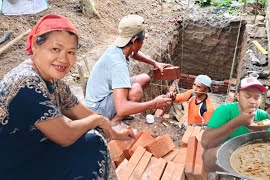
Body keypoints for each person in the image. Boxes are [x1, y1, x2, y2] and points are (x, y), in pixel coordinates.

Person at [0, 14, 134, 179]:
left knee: (91, 143)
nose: (64, 59)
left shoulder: (53, 82)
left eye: (71, 52)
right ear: (35, 45)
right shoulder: (26, 83)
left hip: (33, 156)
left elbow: (81, 112)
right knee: (92, 141)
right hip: (13, 169)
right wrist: (98, 121)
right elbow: (65, 135)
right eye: (56, 49)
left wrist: (116, 133)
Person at [85, 14, 172, 130]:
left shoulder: (120, 47)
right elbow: (122, 108)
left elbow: (134, 53)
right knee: (136, 91)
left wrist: (155, 63)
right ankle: (114, 123)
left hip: (103, 95)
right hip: (97, 109)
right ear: (135, 40)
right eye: (143, 40)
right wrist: (155, 103)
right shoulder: (118, 65)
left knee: (145, 78)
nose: (143, 43)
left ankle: (117, 117)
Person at [201, 77, 269, 172]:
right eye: (247, 96)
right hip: (226, 155)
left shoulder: (263, 116)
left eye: (256, 97)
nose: (253, 101)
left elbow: (269, 146)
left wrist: (261, 134)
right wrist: (238, 122)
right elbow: (206, 143)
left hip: (253, 156)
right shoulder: (224, 111)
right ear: (237, 95)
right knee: (209, 156)